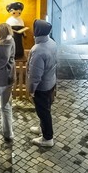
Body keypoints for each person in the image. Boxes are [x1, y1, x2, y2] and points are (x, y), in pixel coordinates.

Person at [26, 18, 58, 147]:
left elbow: (35, 74)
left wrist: (31, 90)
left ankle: (47, 138)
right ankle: (42, 128)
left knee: (43, 112)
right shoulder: (52, 43)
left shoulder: (38, 50)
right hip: (51, 81)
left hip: (42, 86)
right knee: (46, 108)